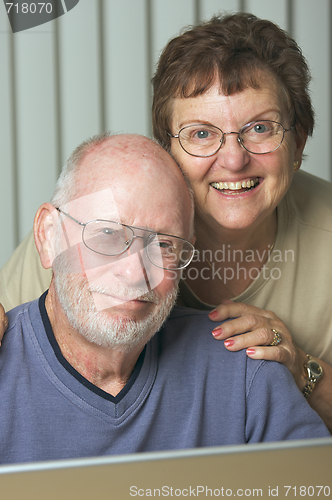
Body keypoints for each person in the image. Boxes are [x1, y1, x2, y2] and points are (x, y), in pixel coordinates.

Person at [0, 13, 331, 430]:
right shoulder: (84, 233)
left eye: (260, 128)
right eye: (201, 134)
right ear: (167, 152)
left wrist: (300, 366)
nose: (233, 159)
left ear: (297, 143)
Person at [0, 133, 329, 465]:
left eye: (164, 245)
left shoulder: (242, 369)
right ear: (48, 236)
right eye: (108, 234)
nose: (134, 273)